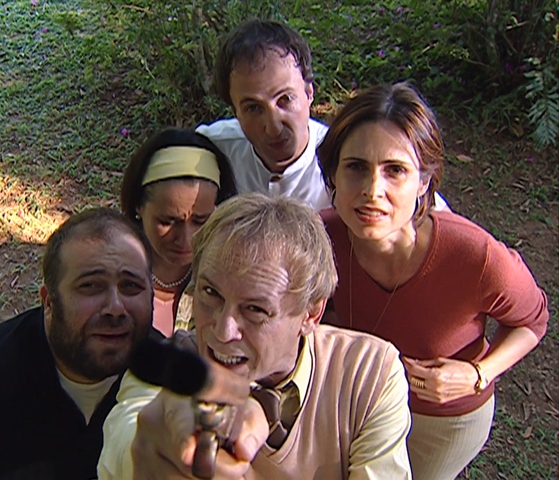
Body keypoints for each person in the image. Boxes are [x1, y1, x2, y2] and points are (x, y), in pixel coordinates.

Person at [316, 82, 549, 480]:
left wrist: (478, 374)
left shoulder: (476, 256)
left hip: (441, 421)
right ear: (334, 173)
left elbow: (533, 320)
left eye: (395, 170)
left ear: (423, 181)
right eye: (356, 167)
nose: (372, 191)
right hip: (360, 403)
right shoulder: (319, 239)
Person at [98, 193, 413, 479]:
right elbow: (125, 437)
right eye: (211, 293)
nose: (223, 331)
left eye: (255, 309)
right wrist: (159, 448)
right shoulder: (167, 367)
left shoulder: (369, 374)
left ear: (311, 314)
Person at [0, 208, 158, 480]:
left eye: (131, 286)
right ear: (49, 302)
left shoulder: (171, 389)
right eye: (91, 286)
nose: (115, 308)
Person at [196, 19, 448, 212]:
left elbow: (437, 216)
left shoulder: (348, 155)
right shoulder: (212, 148)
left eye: (285, 99)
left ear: (309, 93)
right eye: (253, 108)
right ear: (235, 110)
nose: (272, 127)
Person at [120, 128, 237, 337]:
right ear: (139, 207)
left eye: (200, 221)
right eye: (167, 221)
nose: (185, 239)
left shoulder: (230, 275)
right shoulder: (110, 270)